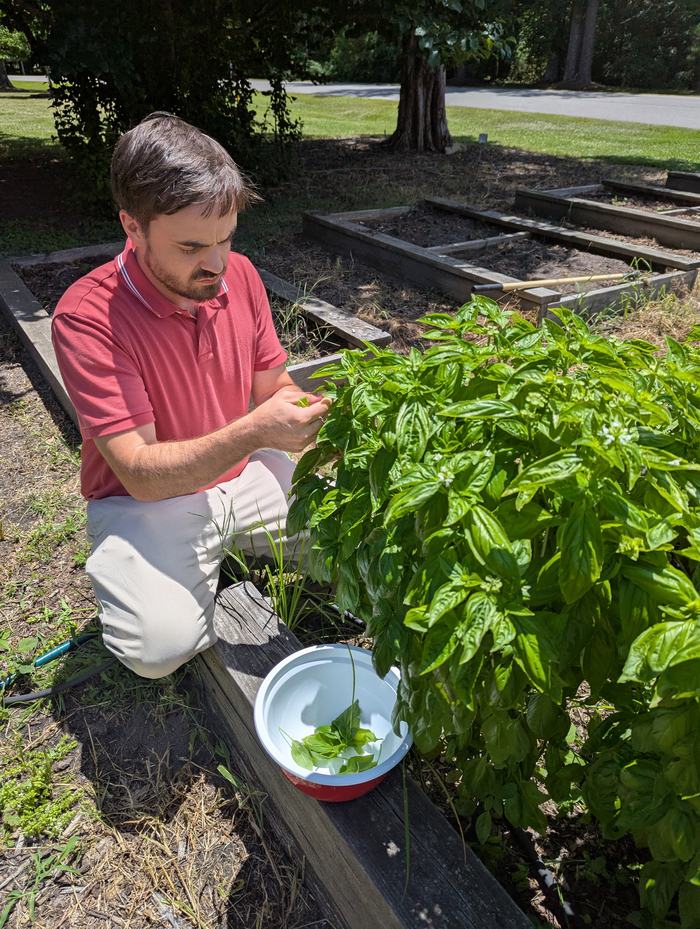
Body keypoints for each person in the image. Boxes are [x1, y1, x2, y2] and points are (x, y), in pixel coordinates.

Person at [51, 112, 330, 680]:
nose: (216, 263)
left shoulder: (240, 277)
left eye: (227, 238)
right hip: (146, 504)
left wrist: (324, 424)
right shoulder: (87, 318)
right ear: (132, 226)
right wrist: (254, 431)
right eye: (191, 246)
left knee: (355, 533)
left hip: (242, 475)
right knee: (158, 650)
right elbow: (140, 473)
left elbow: (270, 384)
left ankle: (221, 548)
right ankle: (151, 561)